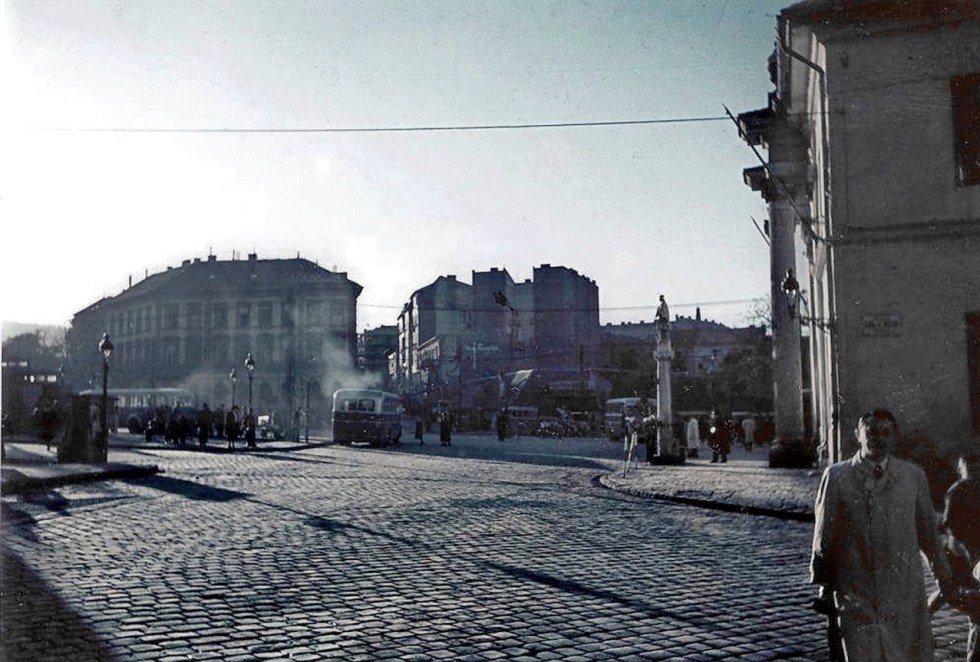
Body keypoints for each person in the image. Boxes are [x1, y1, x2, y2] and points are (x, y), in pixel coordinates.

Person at [810, 408, 953, 661]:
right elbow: (825, 535)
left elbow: (928, 533)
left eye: (886, 433)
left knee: (904, 654)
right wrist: (823, 583)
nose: (879, 438)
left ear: (894, 436)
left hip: (903, 588)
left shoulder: (913, 476)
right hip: (856, 587)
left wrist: (943, 575)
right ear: (858, 435)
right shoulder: (837, 476)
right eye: (872, 432)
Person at [938, 448, 980, 661]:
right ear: (960, 468)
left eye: (977, 466)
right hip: (962, 555)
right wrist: (970, 554)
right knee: (976, 611)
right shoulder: (956, 492)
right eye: (968, 466)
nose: (973, 470)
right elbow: (952, 528)